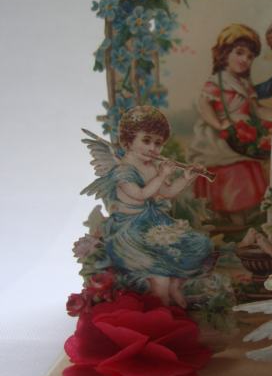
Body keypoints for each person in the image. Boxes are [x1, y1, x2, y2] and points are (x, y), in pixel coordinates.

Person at [82, 106, 213, 308]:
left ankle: (175, 287)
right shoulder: (122, 171)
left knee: (199, 244)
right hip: (129, 232)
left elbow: (167, 192)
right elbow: (141, 195)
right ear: (128, 141)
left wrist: (186, 178)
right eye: (146, 140)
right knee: (160, 274)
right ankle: (162, 310)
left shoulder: (151, 166)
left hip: (153, 222)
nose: (153, 148)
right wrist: (162, 175)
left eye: (158, 143)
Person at [189, 24, 272, 221]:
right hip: (221, 136)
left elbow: (257, 109)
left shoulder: (244, 84)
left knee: (248, 170)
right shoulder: (218, 80)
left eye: (250, 57)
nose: (245, 59)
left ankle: (245, 216)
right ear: (224, 54)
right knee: (231, 172)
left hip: (243, 134)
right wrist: (219, 125)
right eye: (239, 53)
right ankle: (227, 216)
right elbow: (204, 104)